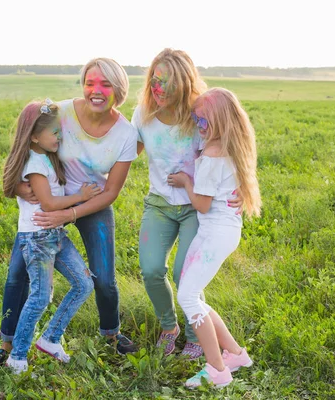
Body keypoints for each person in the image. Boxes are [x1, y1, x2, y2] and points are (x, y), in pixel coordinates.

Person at [0, 58, 138, 369]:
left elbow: (111, 192)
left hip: (90, 203)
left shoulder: (125, 134)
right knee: (16, 276)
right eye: (90, 82)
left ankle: (110, 334)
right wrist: (16, 185)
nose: (96, 90)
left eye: (105, 84)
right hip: (45, 208)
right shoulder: (62, 113)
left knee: (103, 278)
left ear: (119, 89)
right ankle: (7, 346)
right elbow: (25, 144)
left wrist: (71, 212)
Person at [131, 49, 242, 360]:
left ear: (185, 83)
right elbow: (126, 153)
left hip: (196, 209)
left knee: (185, 274)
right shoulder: (143, 115)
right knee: (151, 270)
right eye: (155, 80)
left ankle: (196, 336)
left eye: (168, 82)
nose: (159, 89)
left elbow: (235, 141)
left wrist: (244, 188)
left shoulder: (200, 113)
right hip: (159, 205)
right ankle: (170, 328)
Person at [167, 88, 261, 388]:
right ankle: (234, 354)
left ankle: (217, 370)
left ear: (218, 121)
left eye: (202, 121)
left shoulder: (212, 154)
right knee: (193, 295)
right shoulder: (235, 148)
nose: (198, 127)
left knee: (188, 297)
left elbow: (203, 204)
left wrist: (185, 181)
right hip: (222, 231)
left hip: (215, 232)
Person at [0, 99, 98, 374]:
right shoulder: (34, 163)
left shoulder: (45, 157)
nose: (59, 136)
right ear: (33, 136)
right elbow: (49, 204)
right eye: (54, 132)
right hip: (38, 238)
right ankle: (17, 356)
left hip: (54, 235)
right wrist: (81, 198)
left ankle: (51, 338)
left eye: (59, 131)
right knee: (40, 297)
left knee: (84, 283)